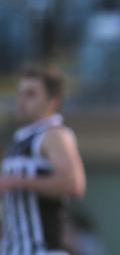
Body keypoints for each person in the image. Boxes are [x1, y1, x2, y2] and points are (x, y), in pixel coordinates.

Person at [0, 67, 86, 254]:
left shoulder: (53, 134)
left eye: (31, 94)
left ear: (52, 102)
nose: (22, 100)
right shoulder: (20, 140)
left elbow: (73, 184)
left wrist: (16, 181)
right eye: (21, 93)